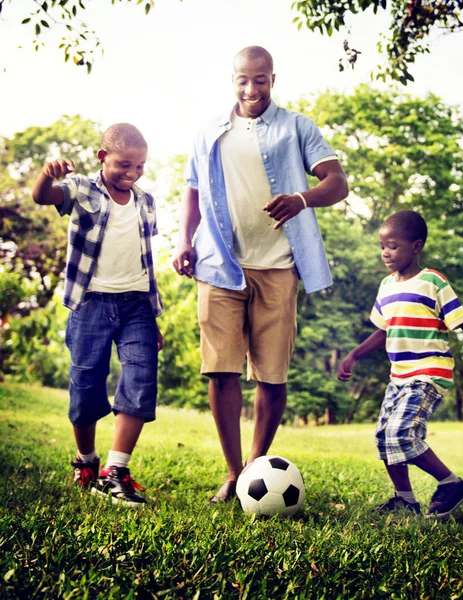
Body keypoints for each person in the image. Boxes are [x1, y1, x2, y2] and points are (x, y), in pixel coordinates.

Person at [173, 46, 348, 503]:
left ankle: (256, 464)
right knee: (221, 372)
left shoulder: (297, 127)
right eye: (242, 80)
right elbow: (192, 192)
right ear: (232, 79)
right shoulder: (209, 131)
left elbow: (337, 182)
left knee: (271, 376)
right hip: (219, 265)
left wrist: (302, 198)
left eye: (260, 80)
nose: (251, 89)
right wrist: (183, 242)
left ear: (273, 79)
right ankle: (235, 473)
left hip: (279, 267)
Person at [337, 210, 463, 518]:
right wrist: (354, 355)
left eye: (393, 246)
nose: (385, 252)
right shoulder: (386, 286)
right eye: (382, 246)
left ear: (416, 247)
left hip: (428, 373)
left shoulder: (433, 282)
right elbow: (384, 330)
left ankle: (451, 483)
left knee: (402, 434)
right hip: (398, 377)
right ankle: (405, 498)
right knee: (384, 437)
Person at [32, 123, 163, 506]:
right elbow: (44, 197)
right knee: (87, 384)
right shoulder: (82, 189)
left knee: (141, 378)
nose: (132, 173)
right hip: (91, 303)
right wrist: (47, 175)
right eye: (124, 165)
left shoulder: (145, 201)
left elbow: (145, 262)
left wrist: (153, 316)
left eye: (139, 167)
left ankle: (115, 472)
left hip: (137, 305)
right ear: (102, 157)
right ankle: (86, 460)